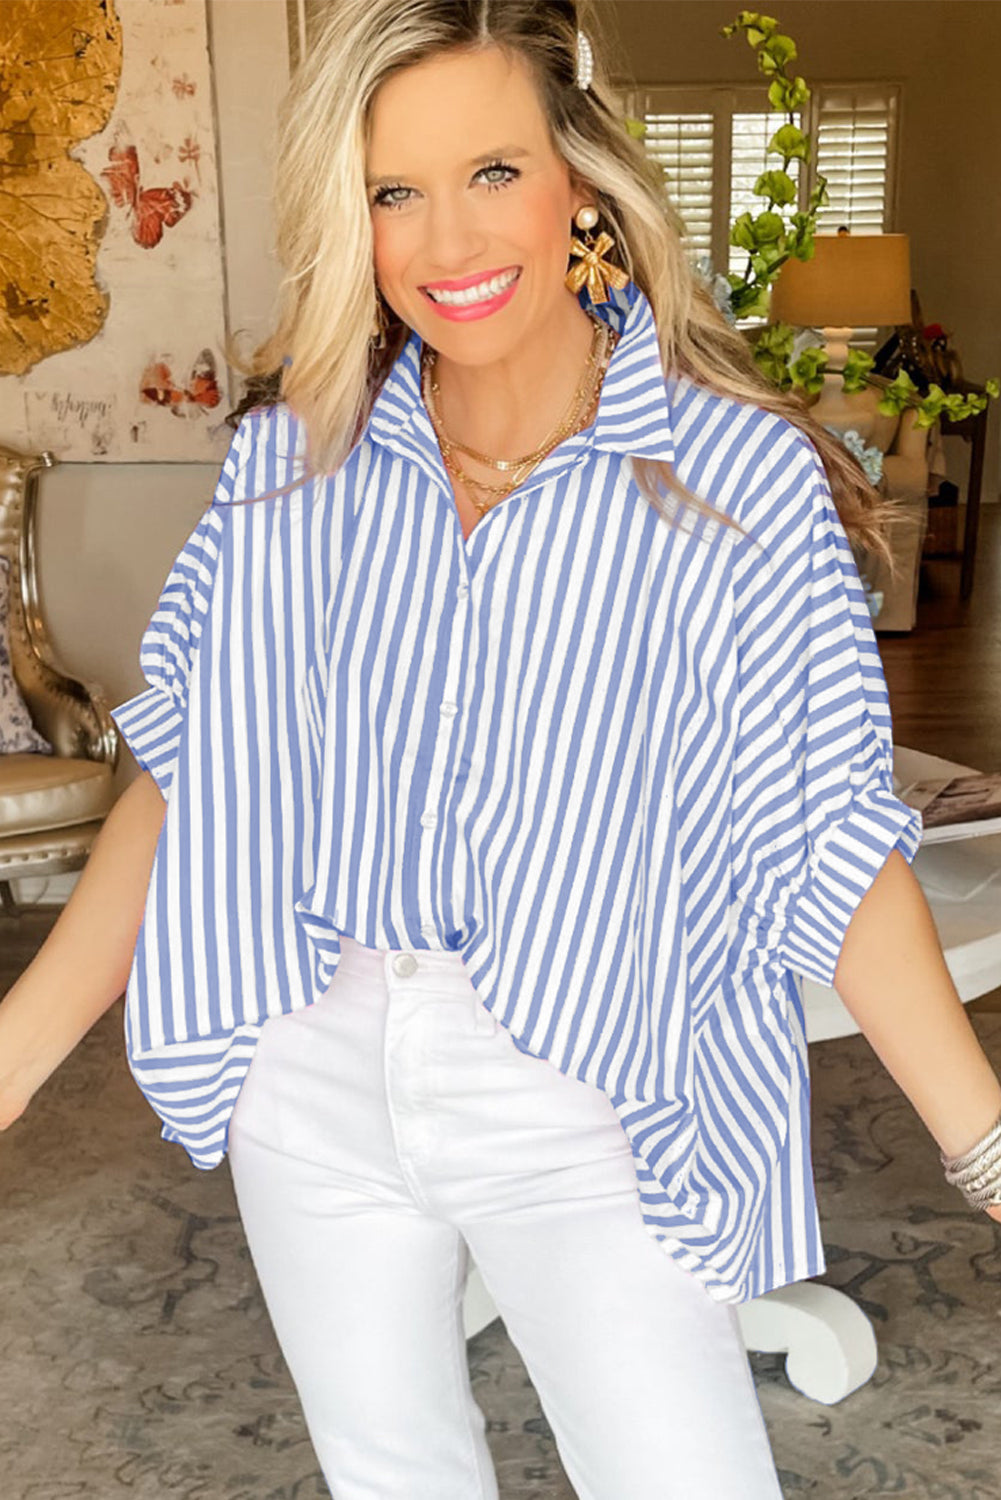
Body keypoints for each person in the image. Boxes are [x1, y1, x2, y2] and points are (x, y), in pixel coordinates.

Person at [2, 2, 1000, 1495]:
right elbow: (198, 777)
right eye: (393, 191)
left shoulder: (729, 482)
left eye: (490, 171)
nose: (445, 240)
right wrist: (12, 1059)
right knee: (390, 1467)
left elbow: (823, 836)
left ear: (580, 184)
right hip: (308, 1053)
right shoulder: (297, 460)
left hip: (592, 1072)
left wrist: (983, 1145)